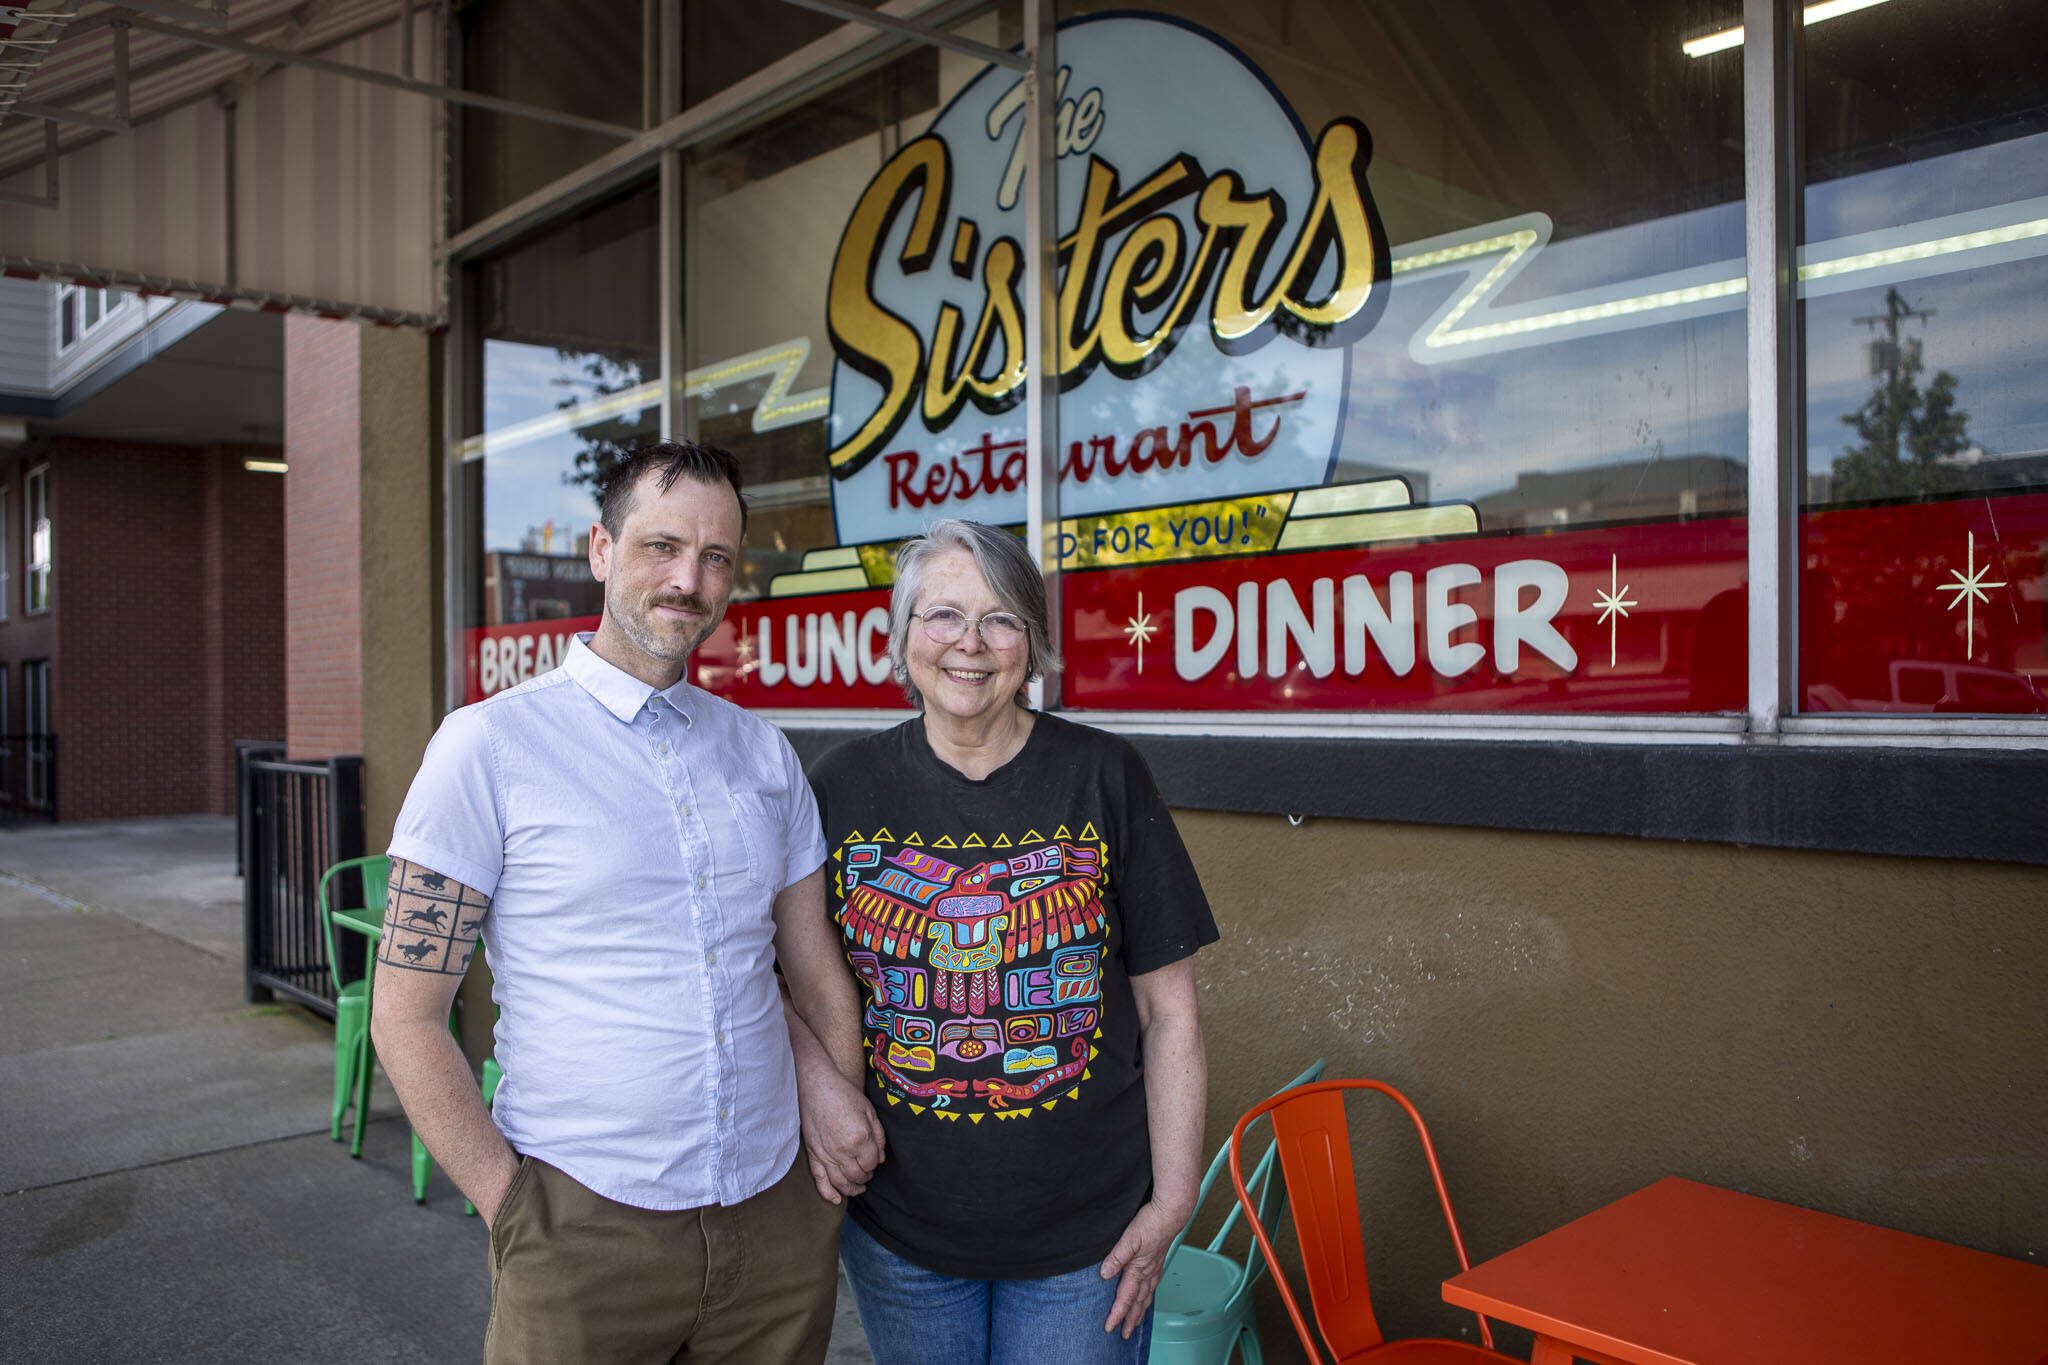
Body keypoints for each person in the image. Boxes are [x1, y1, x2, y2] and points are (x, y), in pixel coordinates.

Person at [370, 439, 884, 1364]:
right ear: (602, 550)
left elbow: (811, 971)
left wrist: (827, 1154)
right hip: (582, 1226)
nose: (690, 578)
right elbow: (405, 1016)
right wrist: (514, 1209)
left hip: (773, 1219)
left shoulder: (762, 755)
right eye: (662, 546)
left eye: (718, 556)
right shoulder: (488, 746)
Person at [808, 517, 1215, 1364]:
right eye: (943, 614)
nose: (971, 643)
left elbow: (1168, 1010)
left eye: (1000, 619)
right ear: (904, 639)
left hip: (1088, 1238)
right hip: (899, 1232)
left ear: (1032, 646)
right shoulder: (839, 787)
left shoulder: (1105, 775)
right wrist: (818, 1089)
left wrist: (1172, 1198)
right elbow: (780, 979)